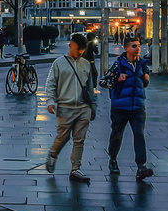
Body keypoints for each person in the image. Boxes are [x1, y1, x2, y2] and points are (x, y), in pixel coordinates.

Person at [44, 31, 99, 183]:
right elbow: (51, 84)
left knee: (79, 139)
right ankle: (53, 154)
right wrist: (50, 101)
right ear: (70, 46)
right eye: (77, 50)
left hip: (83, 108)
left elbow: (90, 87)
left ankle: (76, 169)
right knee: (63, 136)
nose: (79, 53)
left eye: (82, 51)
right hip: (65, 107)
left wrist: (93, 106)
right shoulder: (59, 63)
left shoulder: (86, 64)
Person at [103, 35, 153, 179]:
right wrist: (117, 80)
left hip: (137, 106)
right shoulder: (118, 64)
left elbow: (144, 82)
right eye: (134, 46)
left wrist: (146, 79)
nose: (137, 49)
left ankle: (141, 166)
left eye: (138, 46)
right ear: (126, 48)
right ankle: (112, 159)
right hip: (120, 107)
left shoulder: (143, 64)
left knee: (139, 135)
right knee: (117, 135)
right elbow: (104, 81)